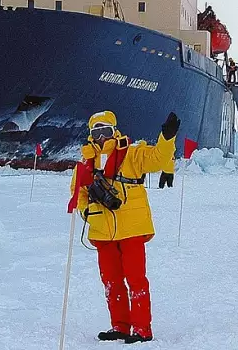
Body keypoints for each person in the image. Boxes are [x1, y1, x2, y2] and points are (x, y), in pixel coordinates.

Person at [70, 109, 179, 344]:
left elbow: (158, 158)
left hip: (132, 228)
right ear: (91, 134)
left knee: (136, 279)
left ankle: (142, 329)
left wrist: (167, 138)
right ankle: (119, 326)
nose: (101, 137)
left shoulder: (132, 153)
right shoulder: (85, 161)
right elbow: (78, 191)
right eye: (96, 132)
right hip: (102, 229)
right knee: (111, 281)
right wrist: (85, 209)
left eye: (105, 131)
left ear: (114, 131)